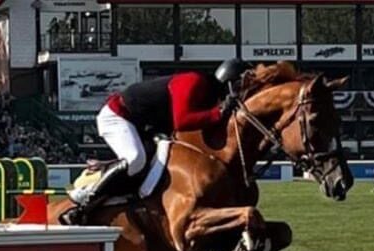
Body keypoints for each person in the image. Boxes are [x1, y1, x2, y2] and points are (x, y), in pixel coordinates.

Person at [60, 58, 249, 226]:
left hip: (140, 124)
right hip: (118, 115)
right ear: (230, 82)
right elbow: (181, 121)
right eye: (241, 87)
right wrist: (219, 113)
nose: (243, 94)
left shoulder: (209, 95)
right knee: (135, 159)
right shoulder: (195, 81)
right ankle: (85, 204)